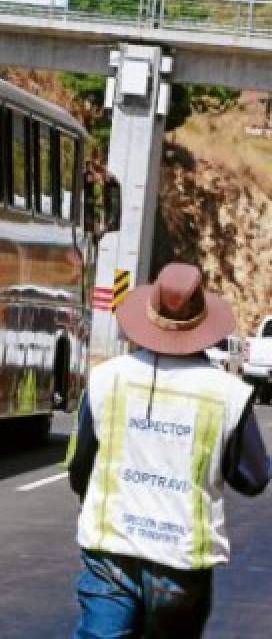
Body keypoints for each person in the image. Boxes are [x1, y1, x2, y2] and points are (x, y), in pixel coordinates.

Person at [67, 262, 269, 638]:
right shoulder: (227, 394)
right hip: (180, 561)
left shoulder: (106, 379)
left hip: (110, 550)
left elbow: (80, 465)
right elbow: (253, 478)